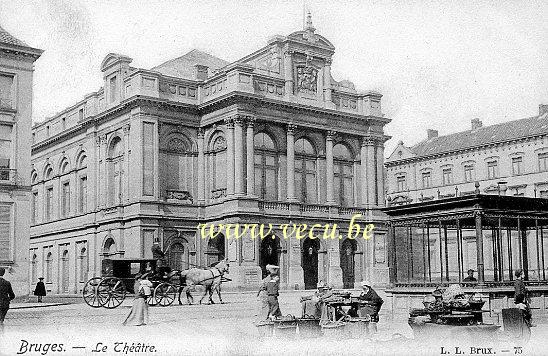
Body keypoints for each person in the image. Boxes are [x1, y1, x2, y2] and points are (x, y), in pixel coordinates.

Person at [0, 267, 15, 332]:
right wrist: (7, 300)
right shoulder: (7, 283)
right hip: (4, 304)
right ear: (3, 273)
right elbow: (12, 295)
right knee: (1, 321)